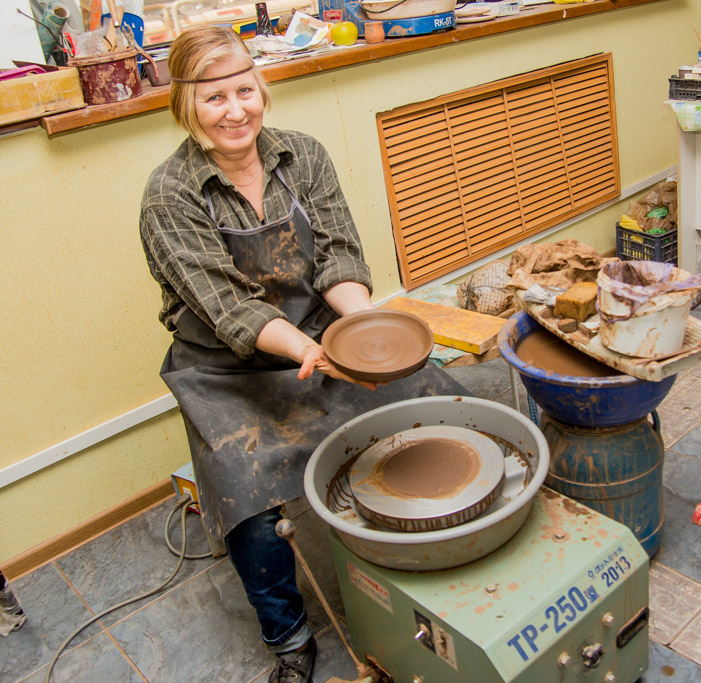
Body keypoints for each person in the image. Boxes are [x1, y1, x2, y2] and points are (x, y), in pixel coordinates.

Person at [139, 26, 466, 683]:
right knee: (247, 490)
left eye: (243, 90)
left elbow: (340, 252)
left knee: (429, 390)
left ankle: (433, 548)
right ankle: (287, 634)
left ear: (261, 87)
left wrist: (366, 327)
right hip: (226, 368)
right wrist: (309, 350)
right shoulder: (169, 195)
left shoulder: (303, 156)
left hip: (318, 330)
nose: (235, 110)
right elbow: (229, 309)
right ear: (184, 105)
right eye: (213, 98)